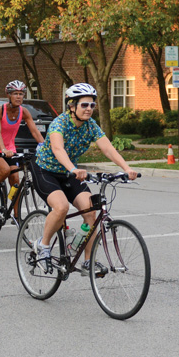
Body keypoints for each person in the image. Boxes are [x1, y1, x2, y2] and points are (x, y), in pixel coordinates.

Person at [30, 83, 138, 276]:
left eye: (92, 105)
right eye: (84, 105)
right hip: (46, 171)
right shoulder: (59, 123)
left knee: (90, 212)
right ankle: (43, 245)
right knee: (61, 207)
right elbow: (57, 149)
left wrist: (126, 168)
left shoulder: (91, 126)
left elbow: (107, 149)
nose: (89, 109)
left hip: (70, 173)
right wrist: (73, 168)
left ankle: (88, 262)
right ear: (72, 106)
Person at [0, 80, 44, 209]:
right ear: (8, 95)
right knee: (5, 170)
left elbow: (35, 131)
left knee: (15, 179)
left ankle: (16, 216)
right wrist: (3, 149)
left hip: (9, 148)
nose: (19, 97)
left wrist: (44, 146)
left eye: (21, 94)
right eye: (15, 93)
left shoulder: (24, 112)